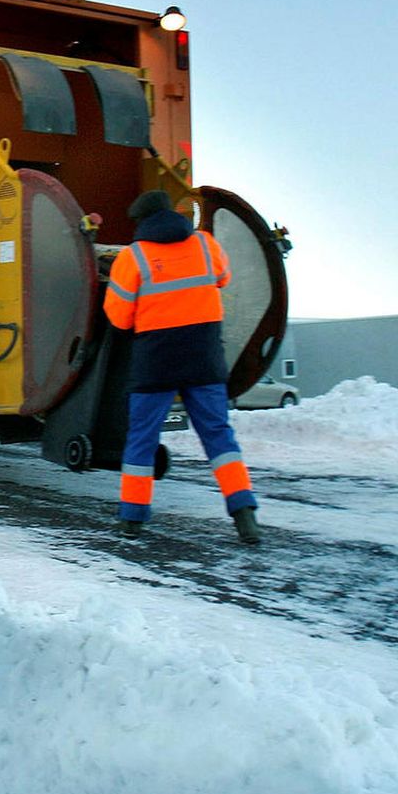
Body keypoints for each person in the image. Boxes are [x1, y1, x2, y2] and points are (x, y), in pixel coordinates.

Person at [102, 189, 261, 545]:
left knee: (142, 440)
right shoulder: (205, 244)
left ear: (141, 221)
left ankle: (132, 518)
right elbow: (223, 279)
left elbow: (118, 318)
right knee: (219, 436)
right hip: (204, 359)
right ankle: (244, 514)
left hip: (155, 364)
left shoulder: (134, 257)